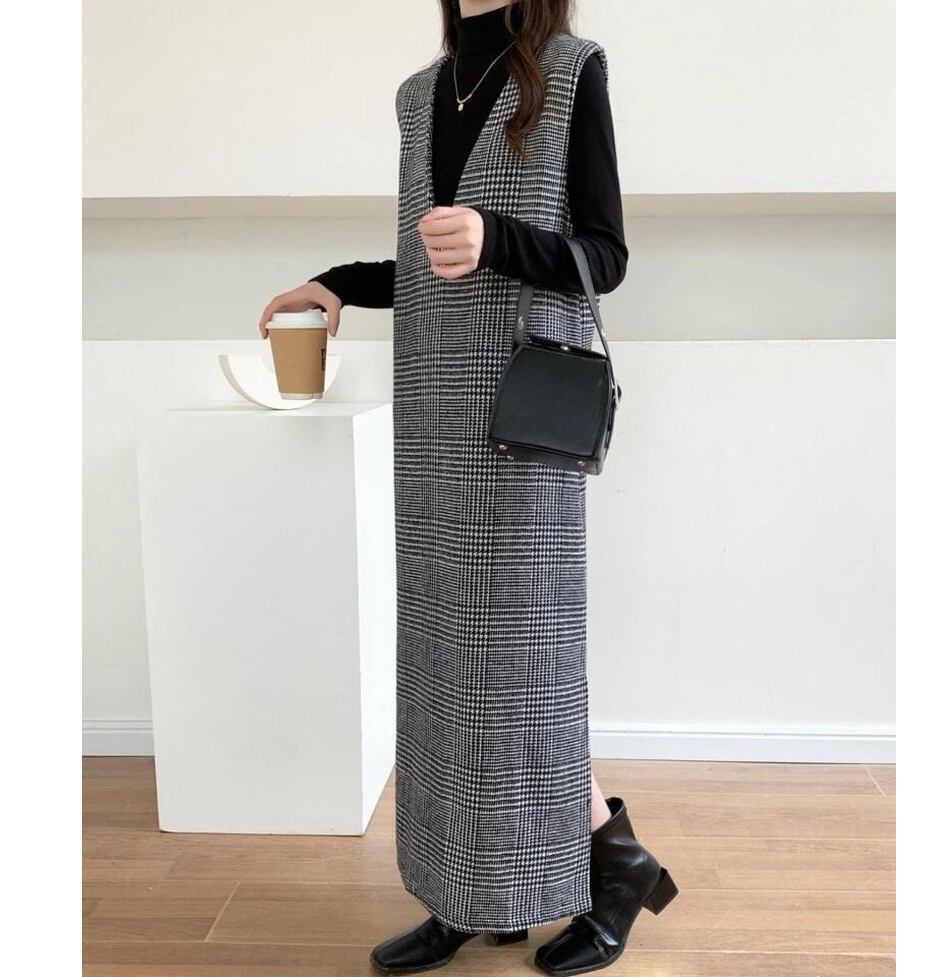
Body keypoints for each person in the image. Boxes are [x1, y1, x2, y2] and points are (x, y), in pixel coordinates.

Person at [258, 2, 676, 973]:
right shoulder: (418, 97)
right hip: (433, 416)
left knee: (522, 667)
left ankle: (611, 864)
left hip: (523, 416)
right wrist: (335, 282)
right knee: (443, 663)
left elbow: (604, 257)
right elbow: (425, 262)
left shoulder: (571, 70)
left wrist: (499, 240)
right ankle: (465, 890)